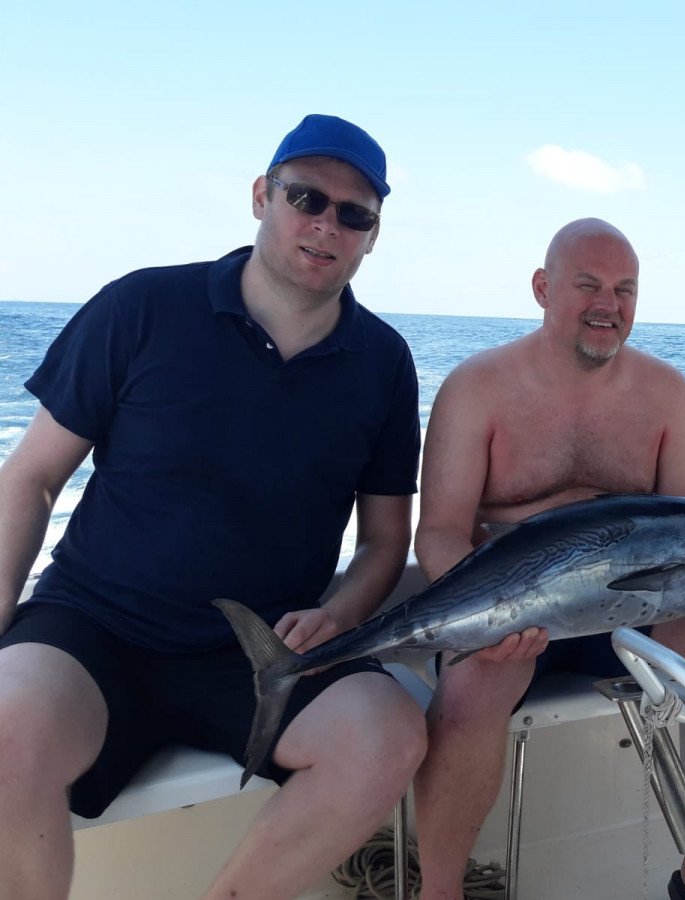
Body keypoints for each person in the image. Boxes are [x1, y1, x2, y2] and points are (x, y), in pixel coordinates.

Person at [0, 114, 428, 899]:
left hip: (265, 649)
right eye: (307, 197)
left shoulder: (383, 364)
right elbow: (29, 479)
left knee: (388, 735)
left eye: (354, 213)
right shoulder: (140, 307)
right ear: (263, 196)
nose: (326, 223)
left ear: (372, 236)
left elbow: (383, 541)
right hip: (94, 627)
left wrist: (340, 612)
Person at [413, 217, 685, 900]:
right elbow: (440, 532)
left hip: (635, 612)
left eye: (624, 289)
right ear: (544, 288)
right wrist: (486, 619)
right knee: (467, 690)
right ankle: (440, 891)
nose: (608, 305)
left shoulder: (665, 392)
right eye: (588, 286)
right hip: (518, 614)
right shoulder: (476, 387)